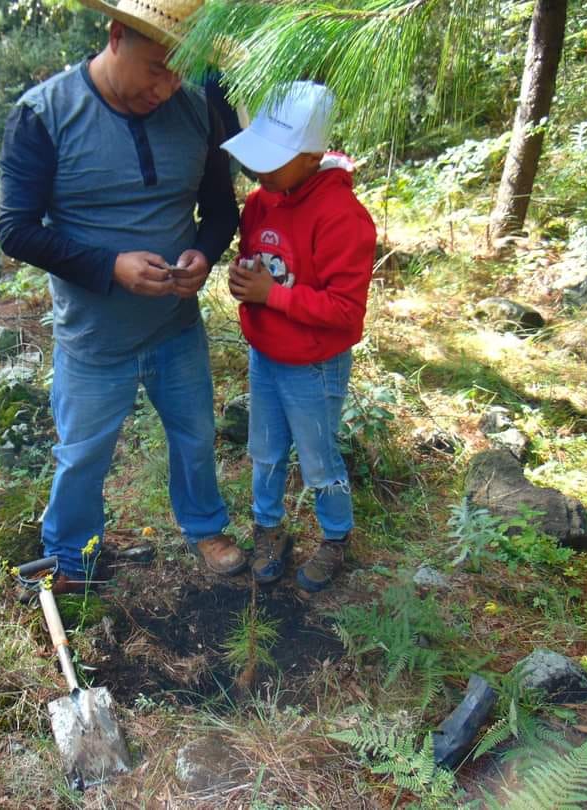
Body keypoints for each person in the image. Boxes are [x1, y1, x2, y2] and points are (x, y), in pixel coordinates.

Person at [0, 0, 245, 593]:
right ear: (115, 35)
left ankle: (205, 529)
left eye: (178, 72)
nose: (165, 87)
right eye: (156, 67)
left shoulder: (198, 106)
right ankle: (72, 557)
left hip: (176, 325)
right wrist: (111, 267)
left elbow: (220, 210)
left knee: (195, 436)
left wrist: (204, 255)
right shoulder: (45, 114)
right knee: (82, 455)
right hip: (93, 339)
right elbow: (16, 229)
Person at [221, 82, 376, 595]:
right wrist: (246, 283)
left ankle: (335, 537)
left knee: (318, 456)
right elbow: (260, 263)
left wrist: (272, 295)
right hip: (266, 352)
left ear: (313, 156)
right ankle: (268, 529)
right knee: (264, 448)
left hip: (314, 363)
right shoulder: (263, 201)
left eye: (274, 160)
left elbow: (345, 311)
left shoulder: (343, 217)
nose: (260, 172)